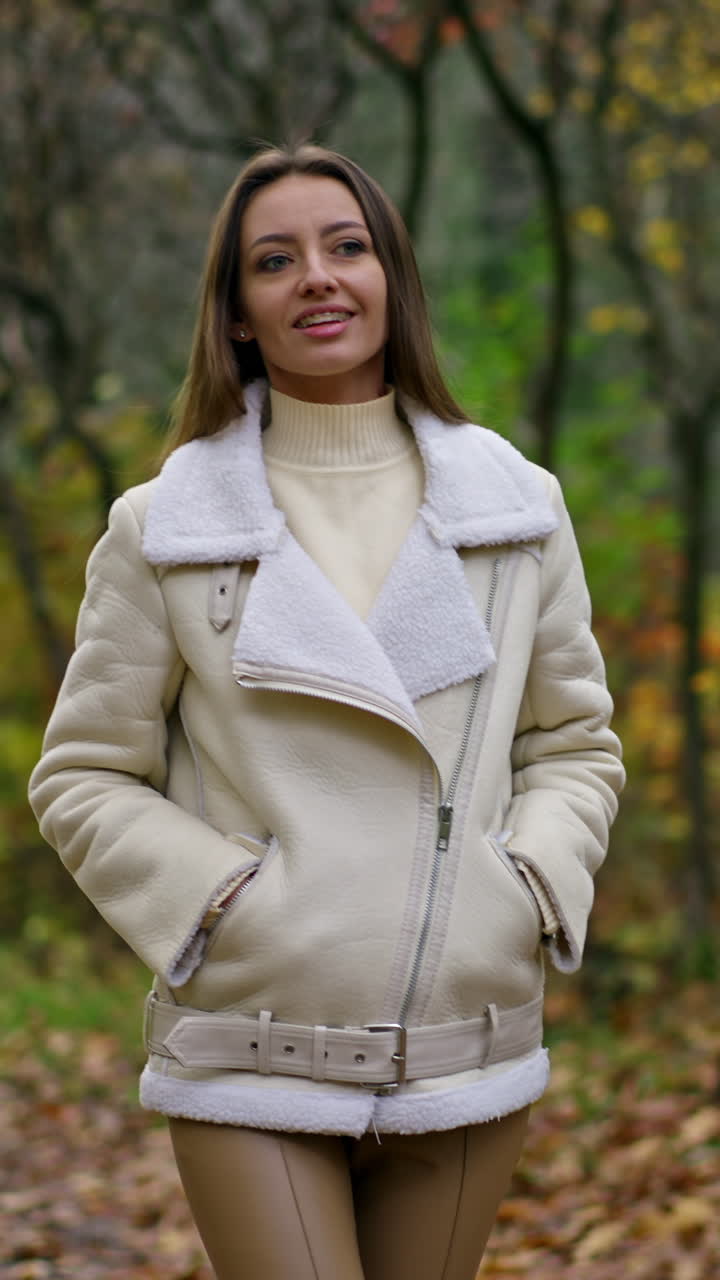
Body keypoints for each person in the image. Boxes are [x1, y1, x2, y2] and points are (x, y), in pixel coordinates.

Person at [28, 143, 624, 1280]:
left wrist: (525, 887)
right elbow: (83, 774)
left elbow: (573, 743)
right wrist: (226, 905)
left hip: (466, 1044)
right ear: (236, 313)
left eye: (346, 246)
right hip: (251, 1043)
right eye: (274, 259)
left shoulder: (516, 508)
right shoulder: (166, 527)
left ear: (390, 276)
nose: (316, 275)